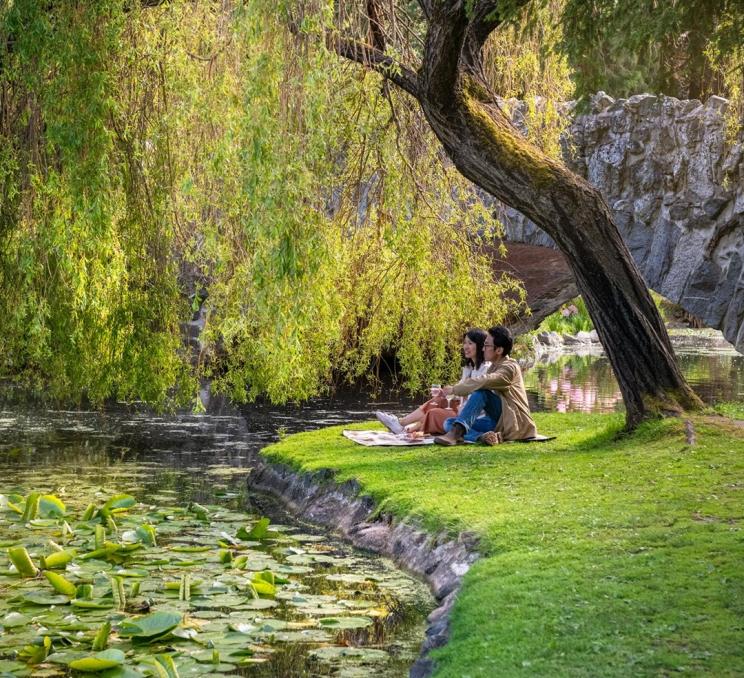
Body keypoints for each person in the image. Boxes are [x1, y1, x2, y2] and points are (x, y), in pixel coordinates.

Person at [434, 325, 537, 445]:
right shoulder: (494, 366)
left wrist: (454, 389)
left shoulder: (510, 368)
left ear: (499, 350)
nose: (483, 349)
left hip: (514, 422)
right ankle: (482, 437)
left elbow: (485, 381)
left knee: (482, 392)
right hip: (497, 420)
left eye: (487, 345)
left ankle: (456, 434)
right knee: (449, 423)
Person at [375, 328, 490, 435]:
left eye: (470, 343)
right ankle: (401, 423)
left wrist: (455, 396)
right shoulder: (469, 368)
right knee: (438, 399)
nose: (466, 346)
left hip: (472, 415)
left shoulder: (486, 369)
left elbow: (475, 396)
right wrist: (446, 393)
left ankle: (410, 428)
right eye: (465, 343)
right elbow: (459, 390)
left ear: (480, 346)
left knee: (433, 413)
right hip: (462, 407)